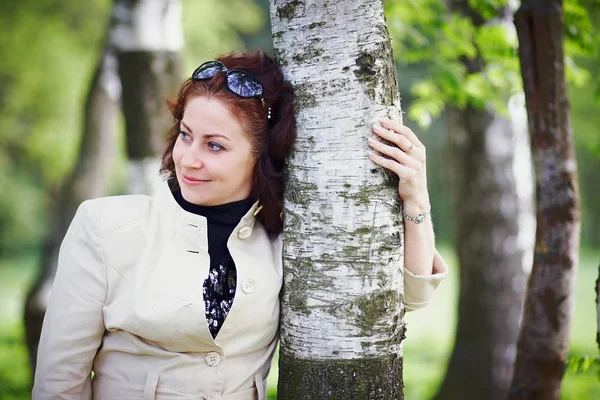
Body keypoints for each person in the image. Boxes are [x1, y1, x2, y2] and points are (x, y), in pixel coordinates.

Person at [32, 51, 447, 400]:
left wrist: (416, 195)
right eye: (186, 135)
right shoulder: (104, 226)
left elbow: (407, 295)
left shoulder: (291, 239)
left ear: (262, 157)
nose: (189, 159)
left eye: (215, 145)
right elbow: (58, 381)